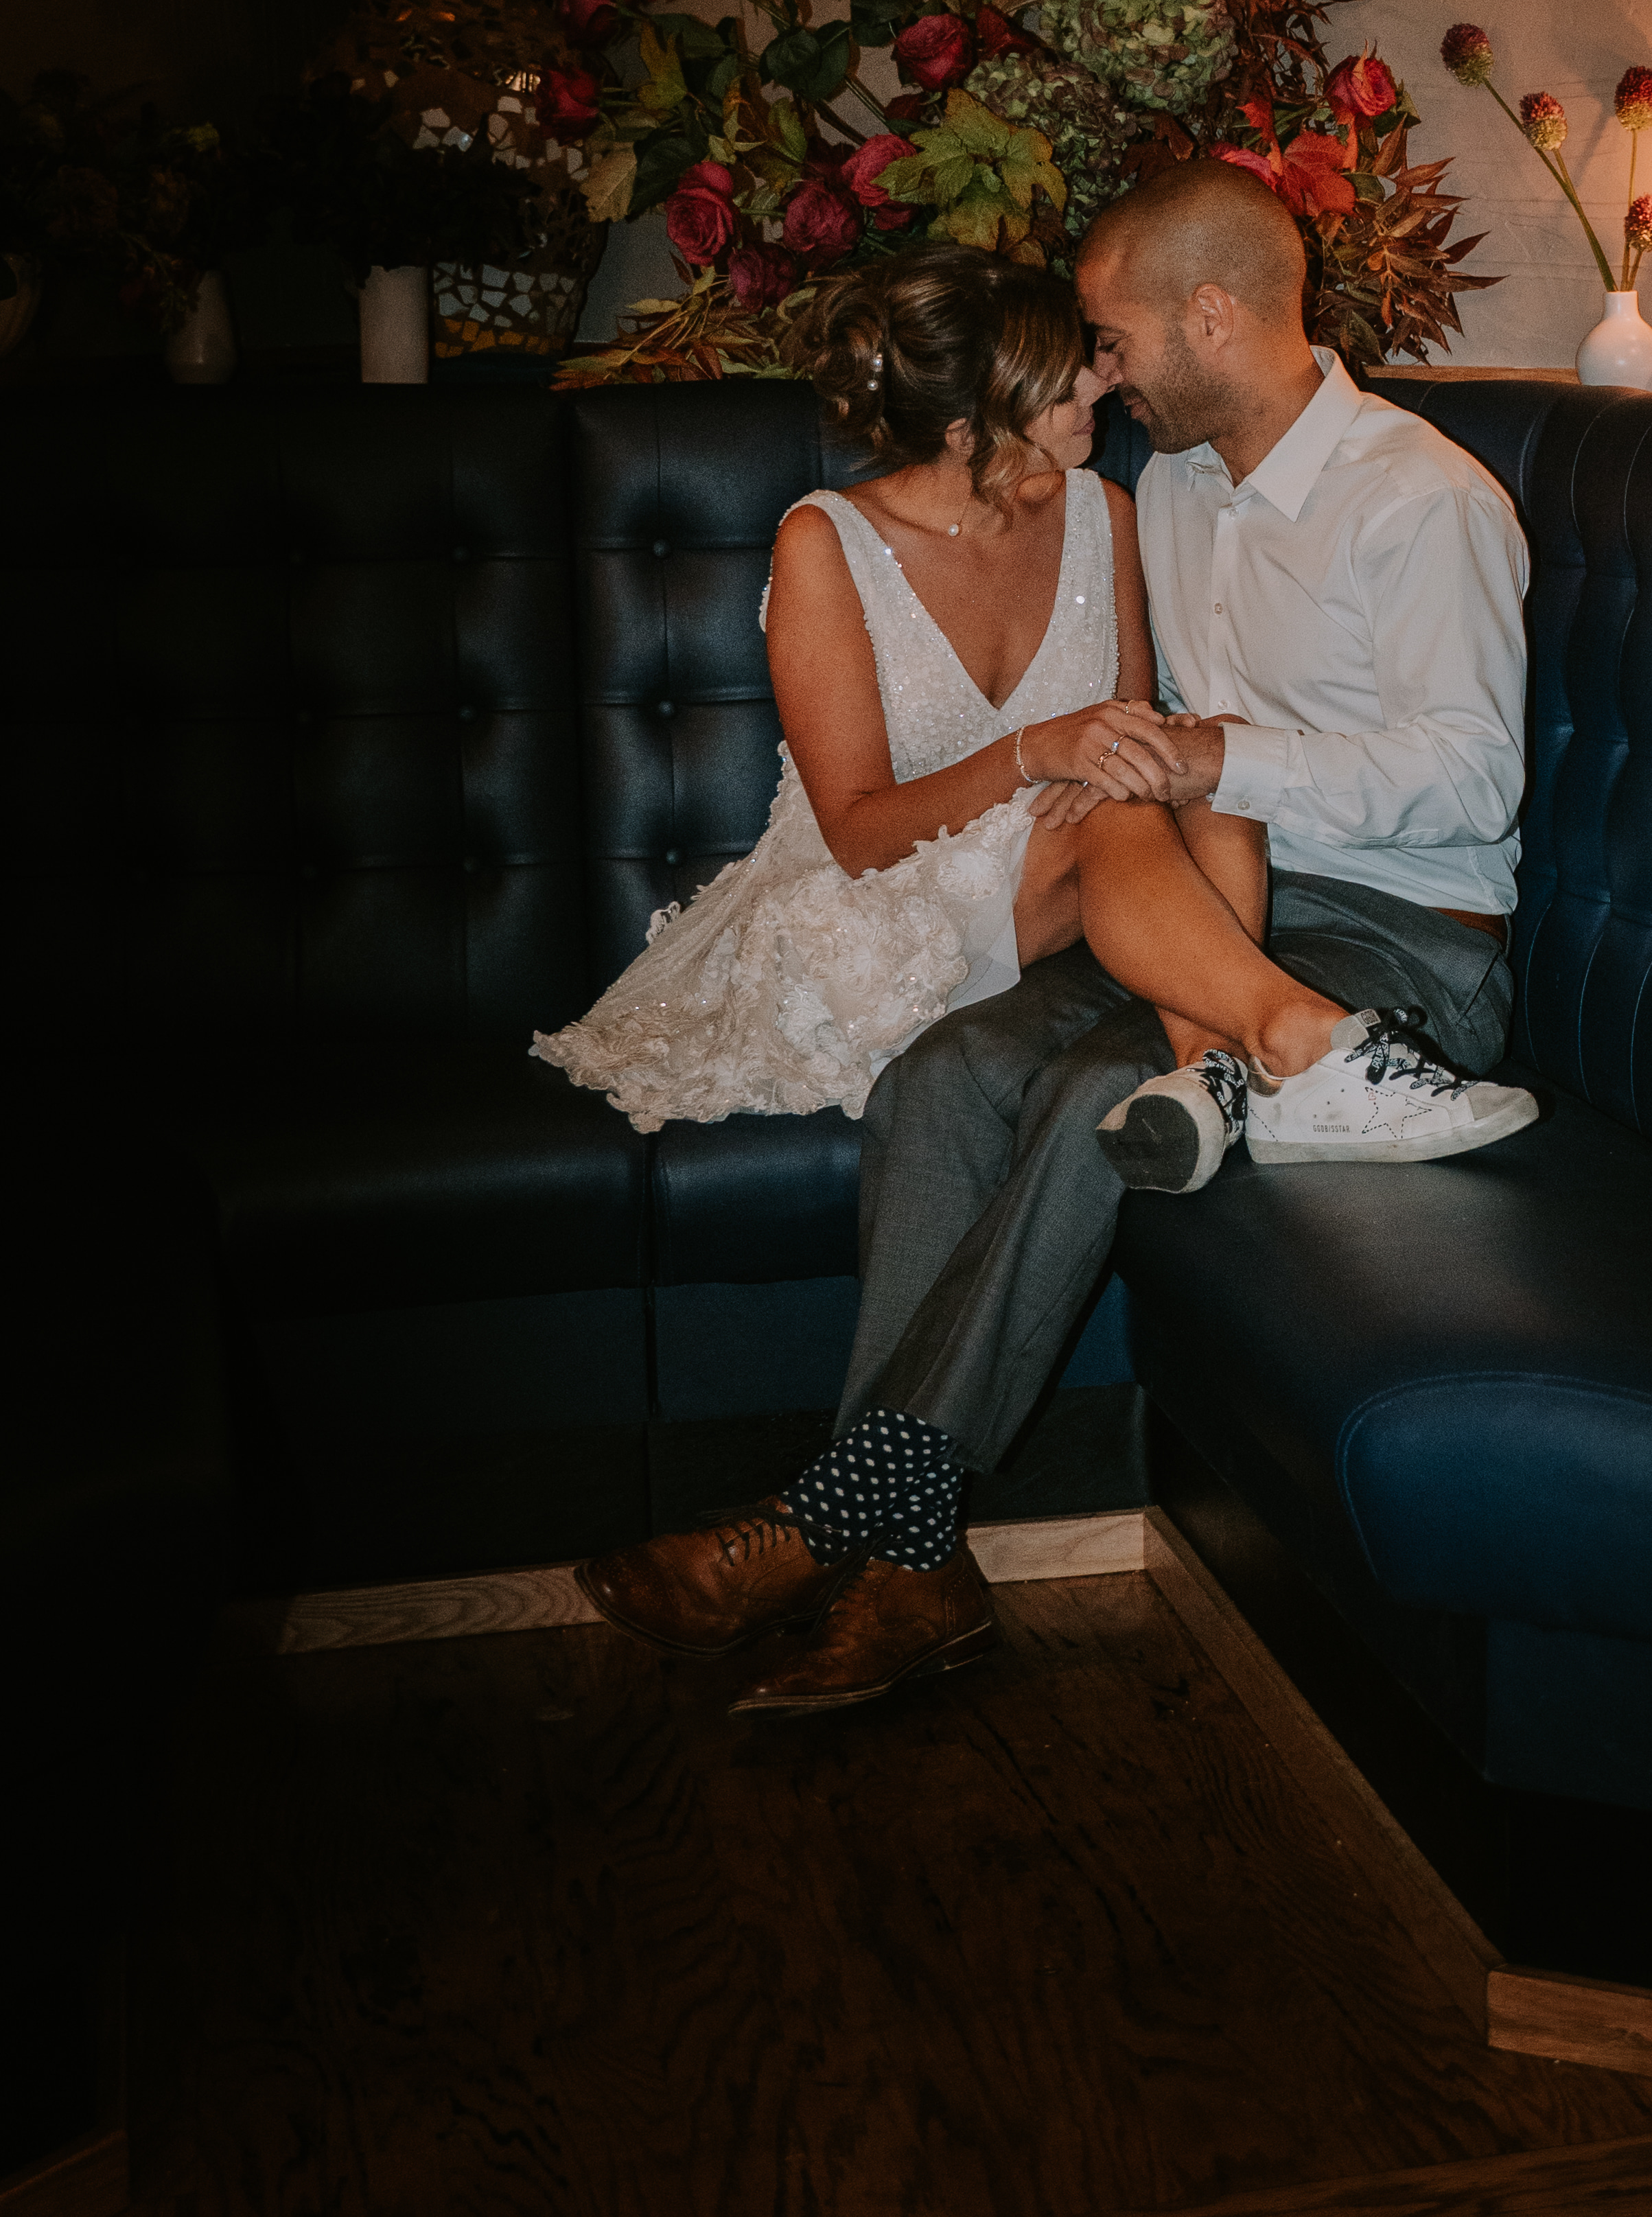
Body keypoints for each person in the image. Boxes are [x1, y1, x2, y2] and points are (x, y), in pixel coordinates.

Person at [578, 156, 1537, 1718]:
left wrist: (1214, 757)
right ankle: (921, 1568)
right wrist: (1164, 784)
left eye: (1110, 334)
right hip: (1197, 899)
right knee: (944, 1076)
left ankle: (833, 1526)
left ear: (1209, 317)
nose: (1097, 367)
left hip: (1397, 935)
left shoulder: (1419, 500)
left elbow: (1474, 778)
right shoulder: (1174, 488)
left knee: (1098, 1098)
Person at [533, 252, 1275, 1131]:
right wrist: (1036, 752)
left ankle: (1212, 1081)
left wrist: (1128, 757)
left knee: (1211, 764)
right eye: (1064, 370)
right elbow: (855, 835)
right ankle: (1303, 1042)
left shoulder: (1099, 511)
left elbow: (1126, 741)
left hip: (1063, 876)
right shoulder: (825, 542)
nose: (1101, 377)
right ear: (970, 426)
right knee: (1130, 805)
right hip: (874, 911)